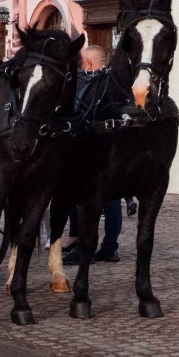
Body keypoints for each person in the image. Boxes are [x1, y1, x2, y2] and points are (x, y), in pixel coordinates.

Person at [62, 45, 124, 264]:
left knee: (84, 200)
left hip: (91, 149)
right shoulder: (117, 82)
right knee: (112, 201)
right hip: (115, 149)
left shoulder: (88, 82)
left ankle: (83, 247)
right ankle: (110, 248)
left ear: (87, 63)